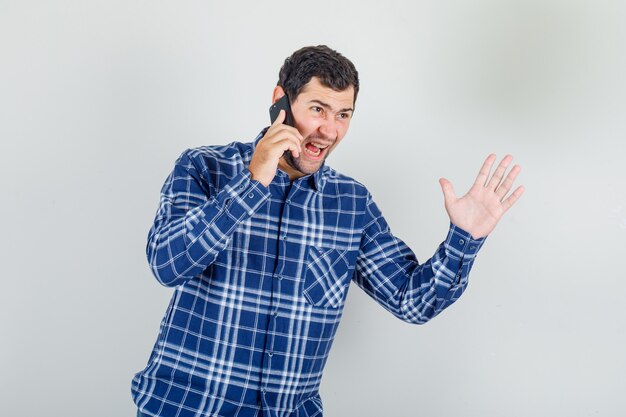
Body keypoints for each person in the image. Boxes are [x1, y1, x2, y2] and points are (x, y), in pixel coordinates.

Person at [131, 45, 524, 417]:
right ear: (280, 102)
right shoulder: (204, 167)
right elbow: (167, 264)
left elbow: (411, 301)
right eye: (318, 109)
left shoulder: (352, 204)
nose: (329, 130)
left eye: (343, 114)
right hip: (186, 408)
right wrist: (253, 182)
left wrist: (465, 238)